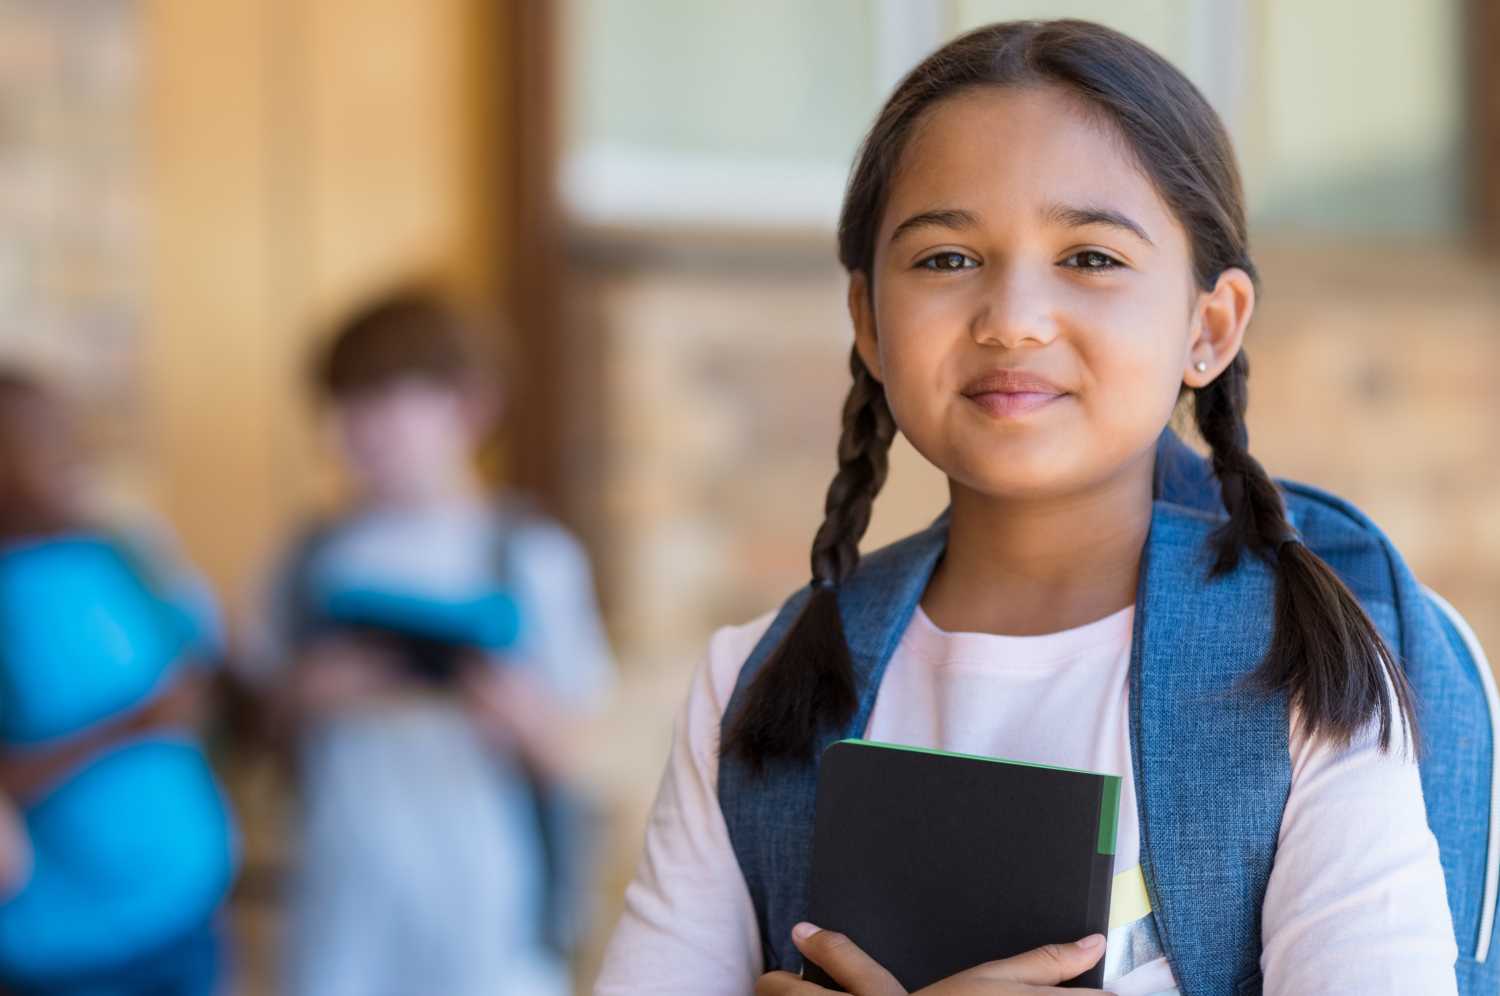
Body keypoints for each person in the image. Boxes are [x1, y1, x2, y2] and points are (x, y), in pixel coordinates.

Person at [594, 19, 1472, 996]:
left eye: (1090, 257)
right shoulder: (751, 685)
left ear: (1210, 326)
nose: (1011, 320)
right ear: (868, 322)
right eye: (946, 259)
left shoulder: (1302, 672)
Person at [252, 291, 614, 996]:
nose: (358, 430)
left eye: (384, 401)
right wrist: (308, 693)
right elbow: (258, 731)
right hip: (341, 908)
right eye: (344, 405)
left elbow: (578, 753)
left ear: (469, 405)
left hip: (490, 912)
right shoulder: (304, 559)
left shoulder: (531, 557)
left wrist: (518, 714)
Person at [0, 368, 235, 995]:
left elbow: (200, 667)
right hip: (71, 943)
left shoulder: (119, 551)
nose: (71, 456)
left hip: (189, 900)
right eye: (38, 440)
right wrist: (127, 728)